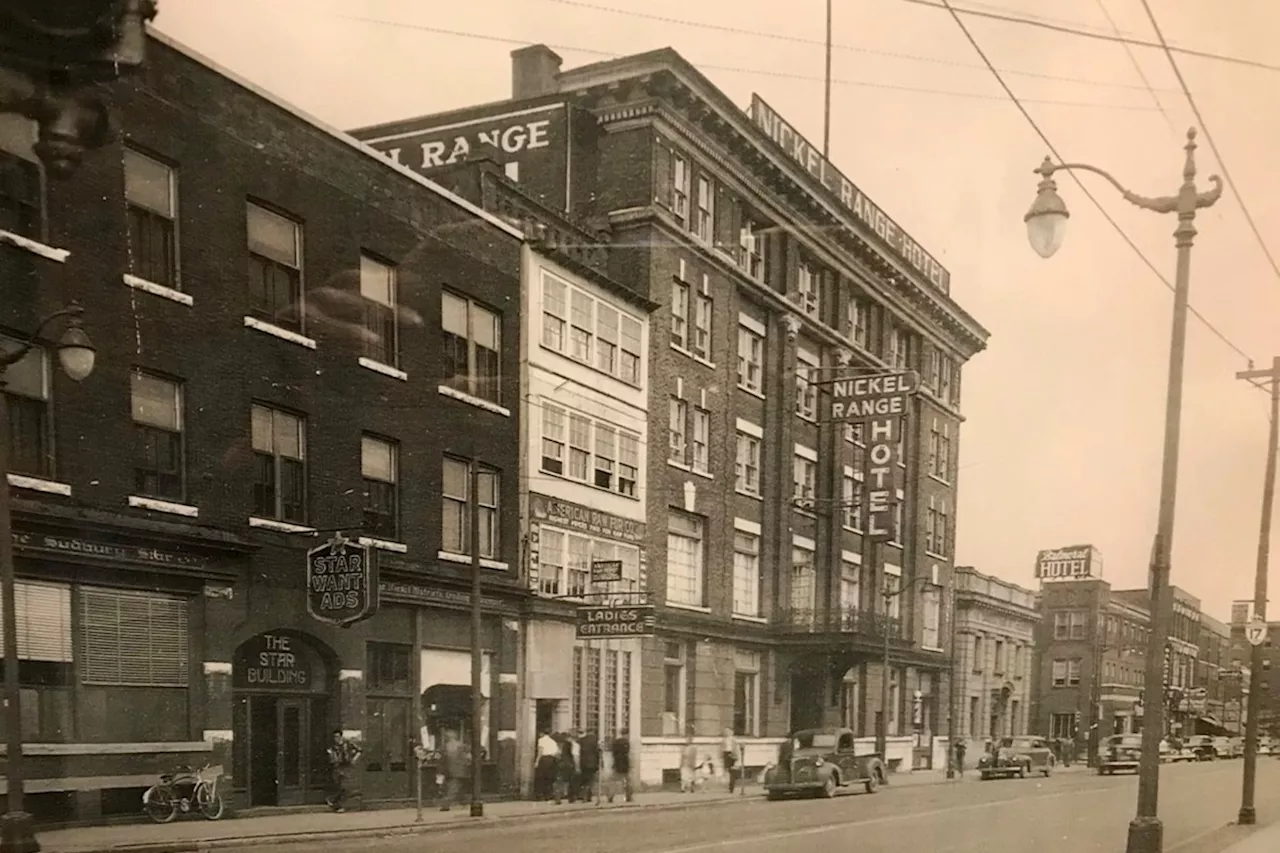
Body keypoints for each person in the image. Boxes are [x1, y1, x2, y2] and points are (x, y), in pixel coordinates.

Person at [325, 729, 361, 813]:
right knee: (338, 785)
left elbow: (359, 750)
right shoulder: (333, 747)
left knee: (344, 786)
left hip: (346, 766)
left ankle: (334, 801)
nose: (336, 738)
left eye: (337, 736)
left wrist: (354, 759)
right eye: (335, 737)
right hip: (337, 767)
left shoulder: (348, 744)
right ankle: (335, 803)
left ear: (341, 736)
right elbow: (331, 756)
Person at [438, 728, 471, 811]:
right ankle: (446, 805)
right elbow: (467, 757)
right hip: (459, 770)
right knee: (454, 788)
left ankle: (463, 801)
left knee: (455, 787)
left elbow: (442, 759)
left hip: (450, 770)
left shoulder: (445, 746)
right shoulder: (461, 745)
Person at [607, 729, 632, 803]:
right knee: (627, 781)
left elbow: (613, 753)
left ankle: (610, 796)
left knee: (613, 781)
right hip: (624, 765)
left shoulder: (616, 742)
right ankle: (628, 797)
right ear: (626, 734)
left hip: (616, 764)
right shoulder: (626, 742)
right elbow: (626, 753)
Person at [535, 729, 559, 800]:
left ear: (542, 733)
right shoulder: (553, 741)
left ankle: (540, 795)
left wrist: (537, 761)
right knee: (549, 777)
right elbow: (556, 752)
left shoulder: (541, 740)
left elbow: (540, 751)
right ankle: (548, 795)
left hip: (544, 759)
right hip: (551, 759)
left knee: (540, 777)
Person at [578, 729, 601, 803]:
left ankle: (584, 796)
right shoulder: (594, 740)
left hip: (583, 763)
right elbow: (597, 752)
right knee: (591, 780)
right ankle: (587, 796)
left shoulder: (581, 740)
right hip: (592, 763)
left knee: (584, 779)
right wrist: (598, 762)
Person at [721, 729, 742, 793]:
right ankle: (729, 786)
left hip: (732, 755)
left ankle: (731, 787)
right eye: (726, 732)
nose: (727, 733)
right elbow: (722, 749)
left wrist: (736, 758)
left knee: (732, 772)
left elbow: (736, 750)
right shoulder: (724, 740)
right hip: (726, 755)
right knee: (727, 771)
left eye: (728, 732)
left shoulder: (734, 740)